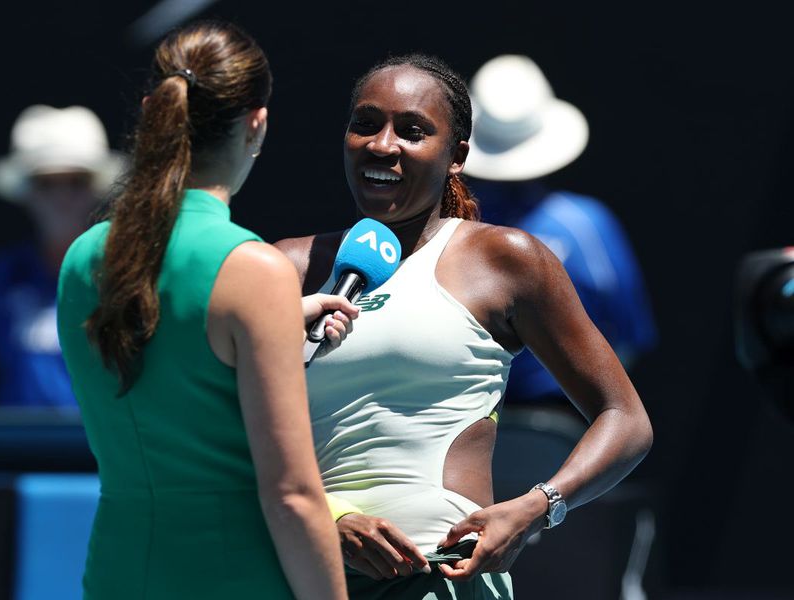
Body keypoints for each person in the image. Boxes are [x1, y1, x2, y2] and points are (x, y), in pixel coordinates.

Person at [275, 53, 653, 599]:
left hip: (444, 577)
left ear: (457, 156)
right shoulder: (282, 265)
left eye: (412, 131)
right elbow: (214, 430)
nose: (383, 144)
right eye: (365, 124)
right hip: (295, 576)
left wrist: (536, 507)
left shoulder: (506, 258)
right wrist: (329, 518)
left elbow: (626, 418)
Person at [56, 21, 351, 599]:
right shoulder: (255, 270)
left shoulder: (80, 259)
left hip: (115, 576)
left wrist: (272, 323)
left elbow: (171, 355)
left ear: (154, 112)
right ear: (256, 125)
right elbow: (292, 496)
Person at [462, 54, 658, 410]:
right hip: (566, 422)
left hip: (470, 420)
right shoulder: (586, 224)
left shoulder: (447, 226)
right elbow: (630, 336)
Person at [0, 104, 125, 408]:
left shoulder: (125, 276)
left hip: (102, 441)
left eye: (76, 181)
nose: (62, 197)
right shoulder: (2, 276)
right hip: (13, 440)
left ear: (96, 189)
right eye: (46, 183)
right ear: (26, 192)